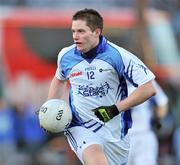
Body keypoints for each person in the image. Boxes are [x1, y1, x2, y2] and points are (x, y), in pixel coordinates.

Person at [46, 8, 156, 165]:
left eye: (81, 31)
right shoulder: (66, 55)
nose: (75, 37)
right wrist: (51, 108)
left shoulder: (118, 56)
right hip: (81, 126)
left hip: (115, 134)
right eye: (73, 31)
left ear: (96, 32)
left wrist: (115, 109)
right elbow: (59, 79)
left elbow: (149, 88)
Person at [127, 80, 168, 165]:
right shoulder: (112, 79)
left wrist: (157, 118)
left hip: (144, 134)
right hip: (120, 137)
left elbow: (162, 103)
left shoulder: (146, 79)